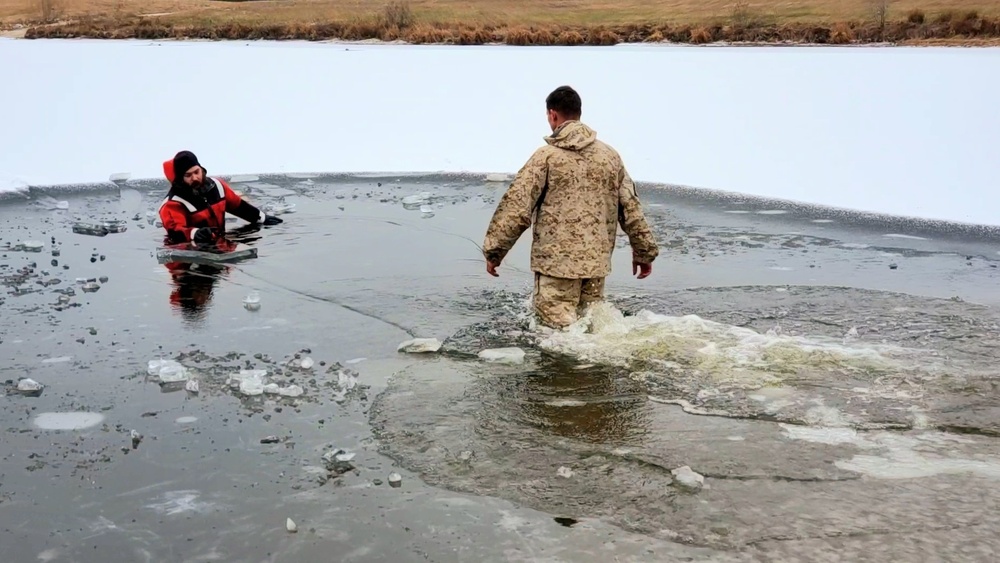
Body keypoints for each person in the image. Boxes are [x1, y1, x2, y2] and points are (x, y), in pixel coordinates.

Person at [482, 85, 660, 329]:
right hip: (595, 266)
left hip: (556, 267)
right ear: (578, 113)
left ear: (553, 115)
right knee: (591, 330)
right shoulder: (610, 157)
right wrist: (644, 252)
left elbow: (516, 208)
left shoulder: (546, 157)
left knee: (558, 337)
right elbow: (631, 209)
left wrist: (494, 252)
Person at [158, 150, 283, 247]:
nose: (195, 178)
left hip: (218, 244)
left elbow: (238, 206)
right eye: (188, 175)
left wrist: (261, 217)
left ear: (201, 169)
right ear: (181, 178)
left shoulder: (218, 186)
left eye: (196, 172)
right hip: (190, 252)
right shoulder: (173, 203)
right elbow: (175, 230)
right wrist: (195, 233)